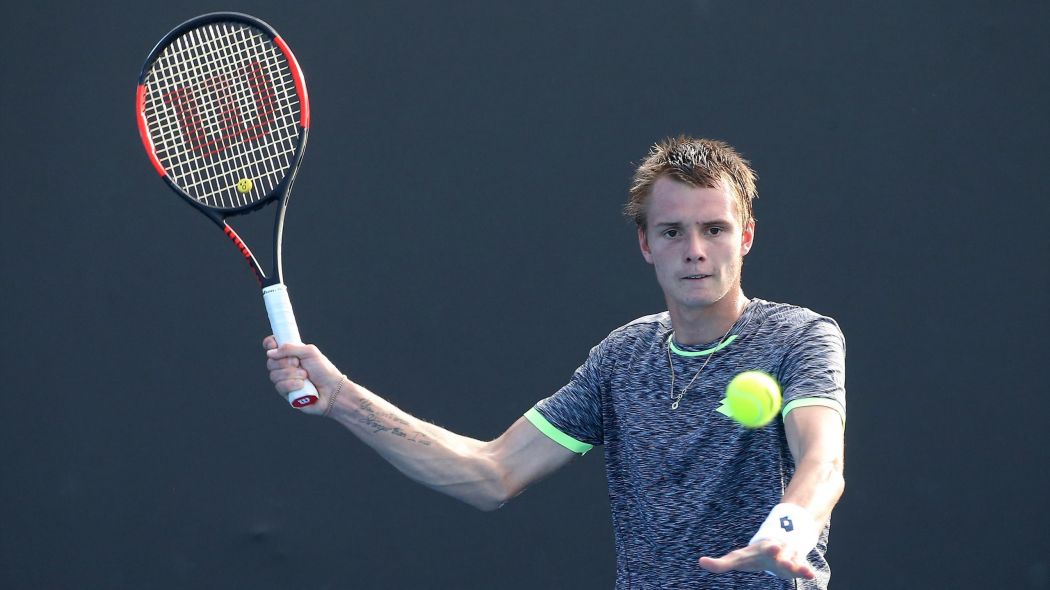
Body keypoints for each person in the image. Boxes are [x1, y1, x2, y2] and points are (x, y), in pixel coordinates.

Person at [264, 136, 846, 589]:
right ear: (646, 244)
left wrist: (787, 529)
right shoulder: (622, 359)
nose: (694, 250)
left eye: (714, 229)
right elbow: (492, 473)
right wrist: (340, 398)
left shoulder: (798, 337)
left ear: (746, 237)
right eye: (672, 232)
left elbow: (822, 460)